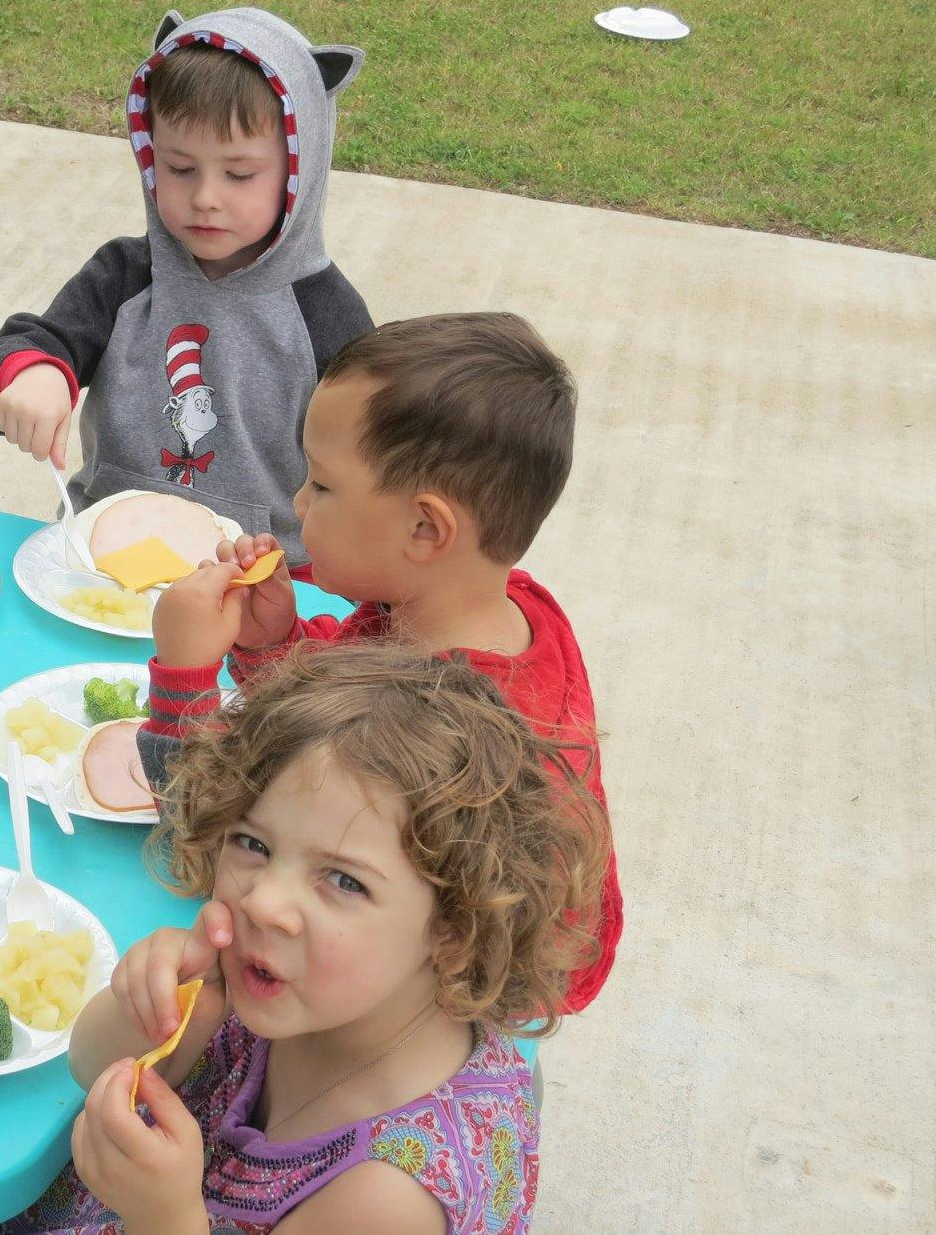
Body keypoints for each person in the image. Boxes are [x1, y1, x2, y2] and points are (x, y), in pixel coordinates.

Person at [0, 646, 609, 1234]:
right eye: (254, 845)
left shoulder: (387, 1199)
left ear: (454, 932)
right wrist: (146, 1007)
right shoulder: (295, 985)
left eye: (343, 880)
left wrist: (165, 1222)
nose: (262, 902)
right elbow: (89, 1063)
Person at [143, 312, 623, 1011]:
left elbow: (204, 842)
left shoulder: (432, 732)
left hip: (425, 1003)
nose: (298, 503)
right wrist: (272, 646)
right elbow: (340, 707)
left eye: (323, 486)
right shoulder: (498, 603)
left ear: (426, 528)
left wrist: (185, 678)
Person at [0, 7, 372, 556]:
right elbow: (31, 341)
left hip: (263, 582)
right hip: (100, 555)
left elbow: (378, 461)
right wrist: (33, 374)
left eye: (239, 174)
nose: (206, 196)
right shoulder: (127, 275)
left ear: (299, 172)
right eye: (180, 168)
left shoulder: (325, 315)